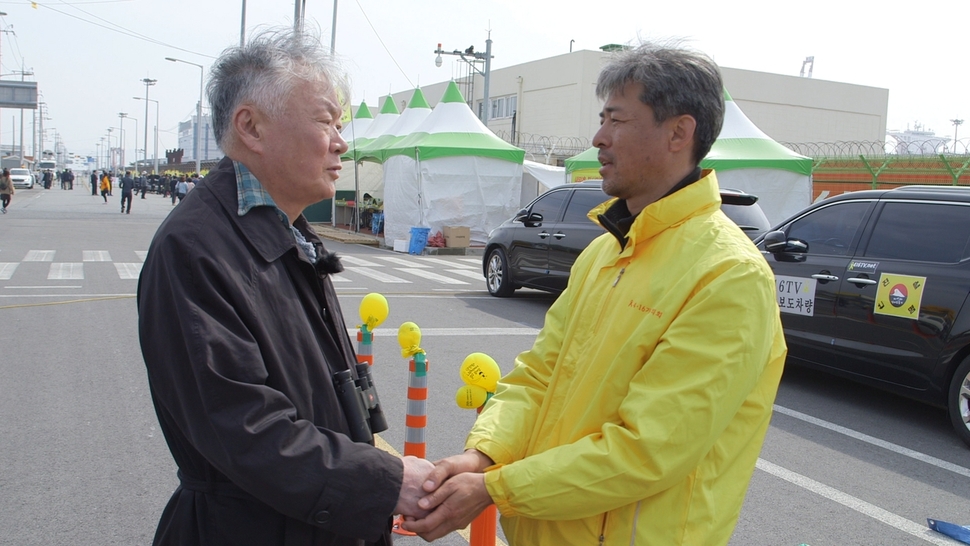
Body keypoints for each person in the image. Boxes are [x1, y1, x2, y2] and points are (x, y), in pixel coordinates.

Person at [405, 42, 788, 545]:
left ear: (679, 132)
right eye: (601, 119)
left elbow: (645, 450)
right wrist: (485, 454)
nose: (599, 138)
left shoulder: (727, 277)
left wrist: (496, 487)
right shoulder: (605, 254)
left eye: (617, 120)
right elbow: (539, 377)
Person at [137, 27, 433, 546]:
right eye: (325, 121)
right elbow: (245, 427)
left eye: (341, 124)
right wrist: (386, 482)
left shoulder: (287, 228)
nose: (342, 141)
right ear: (251, 127)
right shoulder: (195, 247)